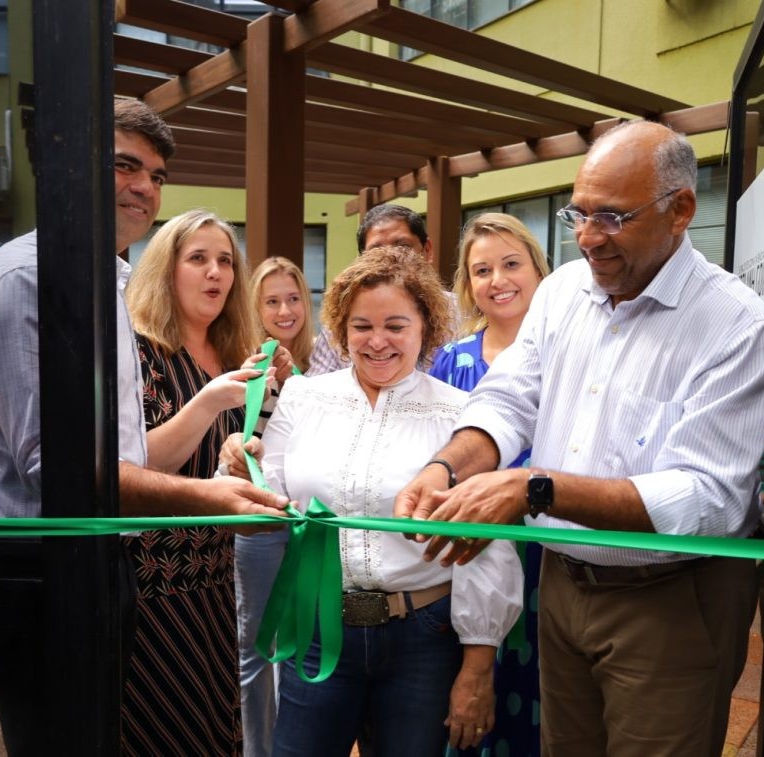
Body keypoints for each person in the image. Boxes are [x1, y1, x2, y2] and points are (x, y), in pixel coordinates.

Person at [396, 120, 764, 757]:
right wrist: (446, 467)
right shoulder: (564, 291)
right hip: (565, 585)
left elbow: (705, 499)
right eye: (578, 214)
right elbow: (509, 398)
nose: (587, 237)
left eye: (612, 217)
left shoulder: (735, 326)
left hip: (671, 600)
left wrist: (536, 488)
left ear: (680, 209)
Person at [0, 99, 287, 756]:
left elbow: (114, 451)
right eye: (124, 165)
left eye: (157, 174)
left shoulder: (100, 279)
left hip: (97, 569)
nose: (144, 186)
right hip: (43, 581)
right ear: (62, 165)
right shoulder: (32, 279)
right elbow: (62, 470)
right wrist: (211, 497)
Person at [230, 246, 523, 756]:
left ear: (425, 327)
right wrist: (241, 464)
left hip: (425, 640)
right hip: (318, 627)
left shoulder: (462, 415)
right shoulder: (302, 399)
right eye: (362, 326)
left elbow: (487, 548)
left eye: (396, 325)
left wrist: (477, 667)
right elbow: (266, 501)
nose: (378, 341)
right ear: (342, 329)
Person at [122, 209, 271, 755]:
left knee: (217, 731)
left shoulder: (232, 354)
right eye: (198, 259)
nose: (216, 273)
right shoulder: (143, 352)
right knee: (165, 731)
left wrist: (244, 452)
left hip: (215, 577)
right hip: (158, 582)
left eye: (226, 261)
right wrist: (210, 402)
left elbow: (227, 458)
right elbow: (144, 465)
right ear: (166, 269)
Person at [429, 212, 549, 757]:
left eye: (510, 264)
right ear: (467, 284)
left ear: (538, 270)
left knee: (545, 693)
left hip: (550, 556)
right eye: (482, 270)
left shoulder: (567, 355)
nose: (498, 280)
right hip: (471, 558)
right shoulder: (451, 362)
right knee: (470, 688)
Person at [235, 256, 316, 757]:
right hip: (259, 523)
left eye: (293, 298)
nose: (285, 310)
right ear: (255, 307)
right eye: (272, 301)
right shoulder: (247, 361)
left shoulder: (313, 363)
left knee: (299, 642)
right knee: (257, 646)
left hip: (305, 521)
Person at [306, 204, 434, 376]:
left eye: (403, 247)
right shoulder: (341, 322)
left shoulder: (460, 315)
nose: (390, 259)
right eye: (377, 251)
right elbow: (316, 391)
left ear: (426, 251)